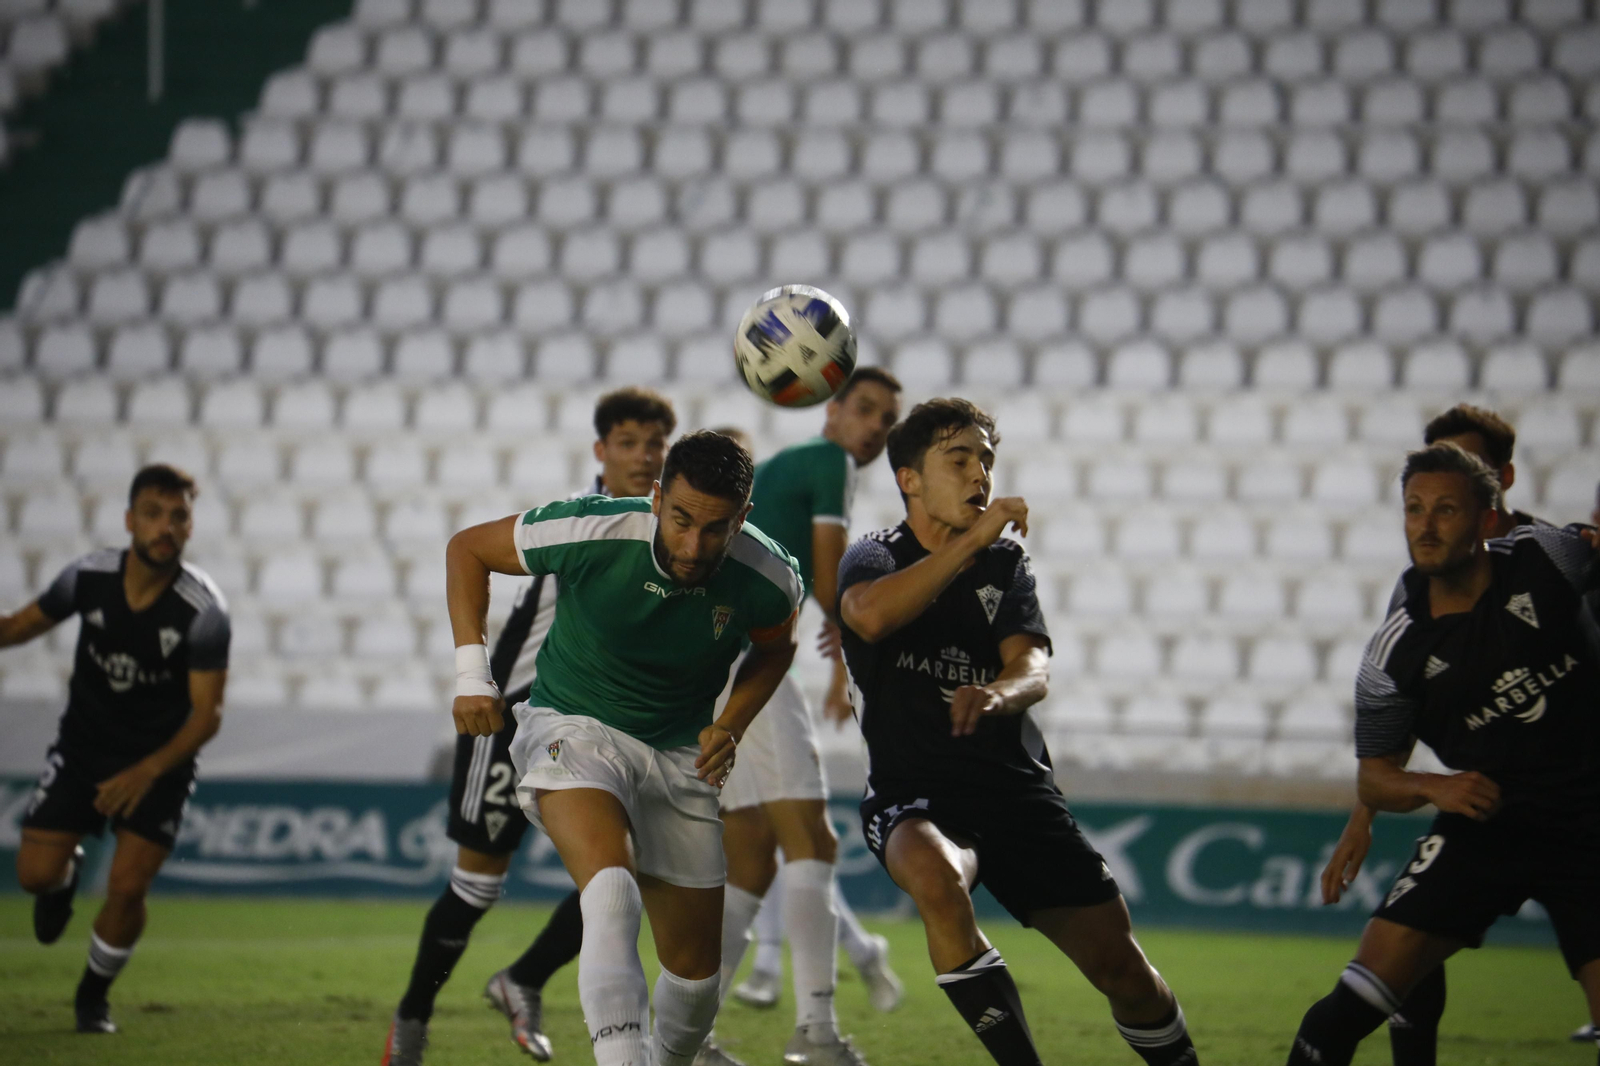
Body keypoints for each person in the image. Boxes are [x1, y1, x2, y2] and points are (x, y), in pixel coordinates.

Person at [837, 399, 1200, 1066]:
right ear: (909, 479)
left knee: (1125, 976)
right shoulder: (873, 556)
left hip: (1014, 795)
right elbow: (866, 619)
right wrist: (973, 541)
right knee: (934, 878)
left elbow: (1032, 667)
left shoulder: (1004, 568)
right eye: (961, 459)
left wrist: (999, 693)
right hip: (914, 793)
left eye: (987, 461)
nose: (981, 475)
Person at [446, 431, 803, 1066]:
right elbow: (468, 548)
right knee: (611, 895)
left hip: (678, 755)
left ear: (743, 518)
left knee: (696, 983)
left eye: (715, 529)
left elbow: (777, 648)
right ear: (657, 497)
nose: (693, 547)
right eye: (681, 520)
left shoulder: (769, 577)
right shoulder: (595, 528)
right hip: (573, 726)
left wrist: (733, 723)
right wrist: (474, 676)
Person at [384, 387, 677, 1065]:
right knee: (476, 887)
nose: (642, 456)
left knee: (617, 879)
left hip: (592, 733)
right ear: (600, 452)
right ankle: (412, 1019)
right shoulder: (580, 524)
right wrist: (475, 680)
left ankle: (521, 980)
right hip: (512, 720)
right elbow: (473, 558)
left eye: (654, 444)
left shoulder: (669, 534)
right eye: (628, 443)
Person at [1284, 443, 1600, 1066]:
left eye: (1446, 510)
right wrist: (1435, 788)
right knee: (1343, 1014)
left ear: (1488, 519)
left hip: (1592, 823)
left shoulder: (1547, 557)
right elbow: (1375, 778)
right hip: (1486, 824)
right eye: (1414, 509)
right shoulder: (1393, 652)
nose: (1426, 526)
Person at [1318, 403, 1545, 1065]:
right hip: (1489, 799)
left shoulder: (1555, 559)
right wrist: (1364, 814)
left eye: (1461, 467)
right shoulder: (1416, 592)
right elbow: (1397, 707)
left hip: (1580, 797)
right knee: (1408, 938)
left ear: (1495, 481)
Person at [701, 369, 904, 1066]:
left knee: (752, 858)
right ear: (834, 410)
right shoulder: (829, 463)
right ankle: (816, 1031)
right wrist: (852, 648)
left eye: (887, 418)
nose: (877, 427)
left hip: (717, 655)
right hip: (746, 659)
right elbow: (830, 576)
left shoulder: (797, 463)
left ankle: (683, 1037)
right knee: (812, 839)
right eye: (867, 410)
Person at [1, 464, 230, 1034]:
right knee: (32, 875)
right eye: (153, 514)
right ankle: (64, 875)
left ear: (190, 526)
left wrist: (147, 771)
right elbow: (18, 627)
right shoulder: (87, 577)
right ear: (130, 520)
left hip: (161, 763)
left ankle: (91, 998)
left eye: (178, 516)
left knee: (129, 888)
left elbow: (207, 717)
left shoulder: (203, 612)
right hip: (83, 747)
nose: (165, 528)